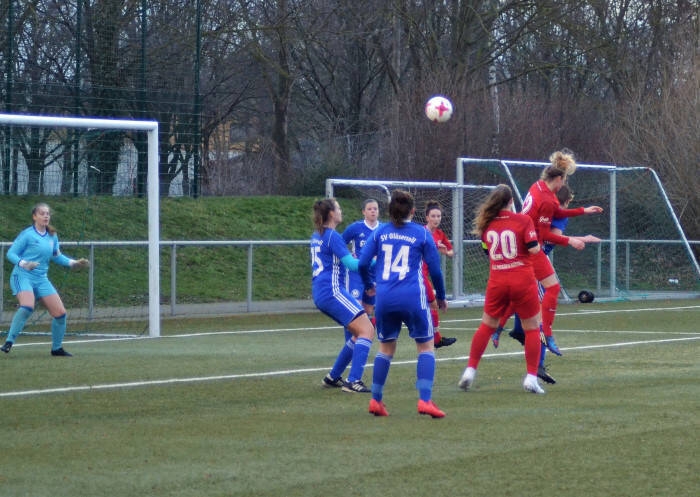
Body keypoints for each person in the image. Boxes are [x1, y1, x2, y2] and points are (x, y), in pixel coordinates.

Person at [491, 184, 600, 384]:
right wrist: (577, 239)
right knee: (538, 316)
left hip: (527, 260)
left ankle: (512, 331)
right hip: (532, 263)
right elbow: (552, 237)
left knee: (523, 303)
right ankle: (538, 364)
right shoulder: (553, 213)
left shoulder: (543, 208)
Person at [358, 189, 448, 418]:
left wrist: (368, 284)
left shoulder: (380, 232)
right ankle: (425, 400)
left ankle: (376, 400)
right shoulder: (422, 233)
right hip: (412, 297)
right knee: (426, 346)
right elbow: (435, 270)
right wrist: (440, 296)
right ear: (413, 211)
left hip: (385, 298)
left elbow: (363, 263)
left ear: (389, 211)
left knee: (386, 348)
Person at [458, 185, 546, 394]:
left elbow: (487, 251)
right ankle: (531, 378)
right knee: (532, 327)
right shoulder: (523, 220)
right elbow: (533, 248)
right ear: (511, 201)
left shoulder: (487, 224)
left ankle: (470, 370)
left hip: (497, 280)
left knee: (487, 325)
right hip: (522, 279)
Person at [518, 150, 603, 356]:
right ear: (558, 179)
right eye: (564, 180)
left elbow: (558, 212)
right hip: (530, 248)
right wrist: (571, 240)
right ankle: (544, 340)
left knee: (534, 298)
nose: (564, 184)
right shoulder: (547, 200)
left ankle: (519, 332)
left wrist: (583, 210)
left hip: (524, 243)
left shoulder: (537, 186)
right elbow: (546, 234)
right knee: (545, 297)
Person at [1, 202, 90, 356]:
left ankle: (56, 349)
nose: (46, 216)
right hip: (22, 276)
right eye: (42, 213)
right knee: (27, 306)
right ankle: (8, 342)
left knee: (60, 314)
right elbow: (11, 254)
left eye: (47, 213)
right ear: (34, 217)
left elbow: (57, 256)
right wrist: (25, 264)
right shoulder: (27, 234)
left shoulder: (52, 236)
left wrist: (73, 263)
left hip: (41, 279)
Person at [311, 198, 375, 393]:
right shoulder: (332, 236)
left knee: (358, 332)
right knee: (367, 330)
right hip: (332, 291)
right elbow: (353, 266)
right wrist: (378, 260)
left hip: (322, 291)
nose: (341, 211)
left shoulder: (318, 234)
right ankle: (353, 381)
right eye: (338, 208)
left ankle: (333, 377)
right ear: (331, 213)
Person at [423, 200, 457, 348]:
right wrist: (435, 246)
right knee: (432, 304)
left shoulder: (440, 234)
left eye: (439, 216)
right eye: (433, 216)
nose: (436, 219)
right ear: (427, 217)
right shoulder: (421, 232)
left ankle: (436, 339)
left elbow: (451, 251)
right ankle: (434, 339)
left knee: (432, 305)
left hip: (427, 274)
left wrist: (446, 252)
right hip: (418, 274)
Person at [341, 198, 380, 322]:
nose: (373, 211)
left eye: (375, 209)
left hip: (374, 273)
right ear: (364, 212)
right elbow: (340, 243)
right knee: (355, 308)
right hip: (356, 273)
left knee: (368, 310)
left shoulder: (383, 229)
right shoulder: (355, 228)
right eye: (370, 209)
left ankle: (366, 333)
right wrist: (348, 255)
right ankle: (352, 333)